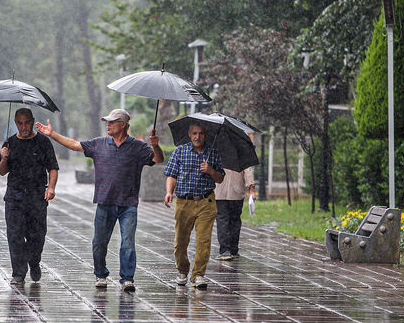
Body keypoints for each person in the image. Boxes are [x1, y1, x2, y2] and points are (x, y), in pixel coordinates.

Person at [35, 108, 163, 292]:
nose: (108, 125)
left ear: (123, 125)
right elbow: (74, 145)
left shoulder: (138, 147)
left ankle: (127, 278)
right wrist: (52, 134)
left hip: (128, 204)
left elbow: (157, 159)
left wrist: (156, 145)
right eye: (107, 122)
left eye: (112, 122)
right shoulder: (99, 144)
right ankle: (100, 274)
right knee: (99, 242)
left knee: (127, 242)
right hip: (105, 202)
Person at [0, 108, 59, 285]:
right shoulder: (9, 143)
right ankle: (18, 272)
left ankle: (34, 261)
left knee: (37, 235)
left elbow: (53, 167)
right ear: (16, 123)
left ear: (32, 121)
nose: (24, 127)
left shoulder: (43, 142)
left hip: (37, 195)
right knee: (15, 235)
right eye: (20, 123)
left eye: (27, 122)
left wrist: (51, 187)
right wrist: (3, 158)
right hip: (15, 196)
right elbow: (2, 171)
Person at [163, 123, 224, 289]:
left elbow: (220, 179)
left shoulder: (213, 153)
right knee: (180, 242)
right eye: (195, 133)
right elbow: (171, 175)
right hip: (184, 202)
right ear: (190, 135)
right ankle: (182, 270)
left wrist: (211, 170)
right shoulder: (180, 151)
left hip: (206, 202)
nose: (198, 137)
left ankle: (198, 275)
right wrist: (169, 192)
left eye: (201, 134)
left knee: (204, 241)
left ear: (206, 135)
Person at [214, 167, 255, 260]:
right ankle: (233, 249)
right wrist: (251, 189)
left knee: (222, 220)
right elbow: (248, 170)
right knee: (235, 220)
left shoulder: (217, 153)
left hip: (219, 191)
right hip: (236, 191)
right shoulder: (241, 153)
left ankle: (225, 250)